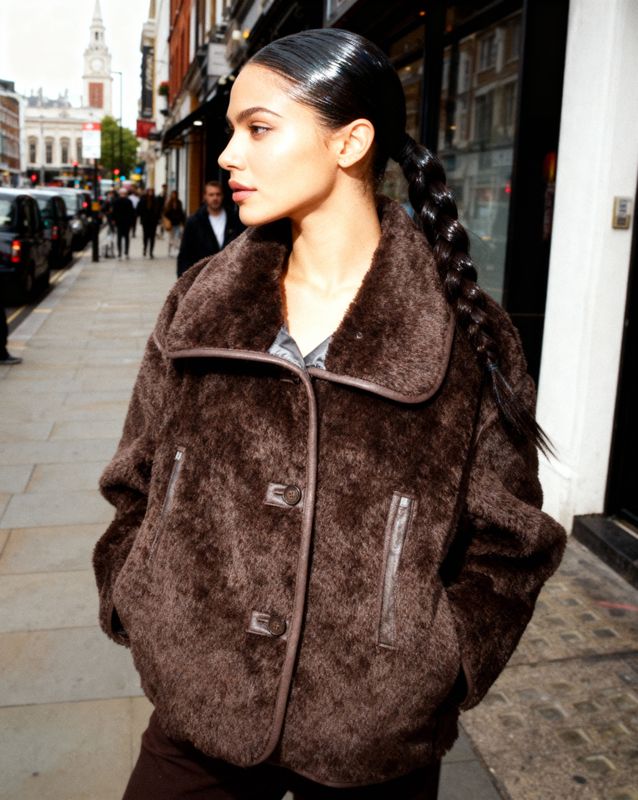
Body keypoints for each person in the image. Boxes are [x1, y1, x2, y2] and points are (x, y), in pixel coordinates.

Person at [93, 29, 566, 799]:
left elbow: (510, 545)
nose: (225, 157)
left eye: (258, 128)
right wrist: (142, 599)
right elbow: (136, 479)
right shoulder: (198, 306)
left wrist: (435, 665)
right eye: (229, 130)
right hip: (197, 703)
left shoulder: (461, 331)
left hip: (371, 736)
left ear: (349, 142)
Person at [177, 181, 243, 277]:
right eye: (211, 195)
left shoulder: (235, 219)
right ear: (205, 197)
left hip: (230, 278)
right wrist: (183, 280)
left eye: (218, 194)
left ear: (222, 196)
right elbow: (185, 254)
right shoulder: (194, 222)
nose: (215, 198)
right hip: (202, 278)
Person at [138, 188, 162, 258]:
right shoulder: (143, 200)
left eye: (152, 191)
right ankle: (145, 249)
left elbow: (158, 211)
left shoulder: (155, 200)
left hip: (153, 222)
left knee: (152, 237)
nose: (150, 193)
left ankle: (151, 252)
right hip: (145, 221)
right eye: (149, 191)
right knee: (145, 236)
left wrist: (158, 219)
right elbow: (139, 209)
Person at [112, 188, 136, 260]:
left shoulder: (128, 201)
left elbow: (131, 213)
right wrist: (114, 220)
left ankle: (125, 252)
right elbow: (114, 211)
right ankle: (120, 253)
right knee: (120, 238)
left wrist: (132, 222)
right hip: (121, 222)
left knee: (125, 238)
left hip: (125, 222)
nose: (122, 195)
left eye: (123, 193)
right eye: (121, 193)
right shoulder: (118, 201)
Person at [163, 190, 186, 257]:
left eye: (175, 194)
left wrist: (183, 222)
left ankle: (176, 250)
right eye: (173, 194)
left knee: (176, 238)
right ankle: (169, 251)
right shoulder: (169, 203)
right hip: (171, 224)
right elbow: (166, 213)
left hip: (177, 223)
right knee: (171, 238)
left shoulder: (179, 203)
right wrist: (167, 220)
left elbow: (181, 213)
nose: (174, 195)